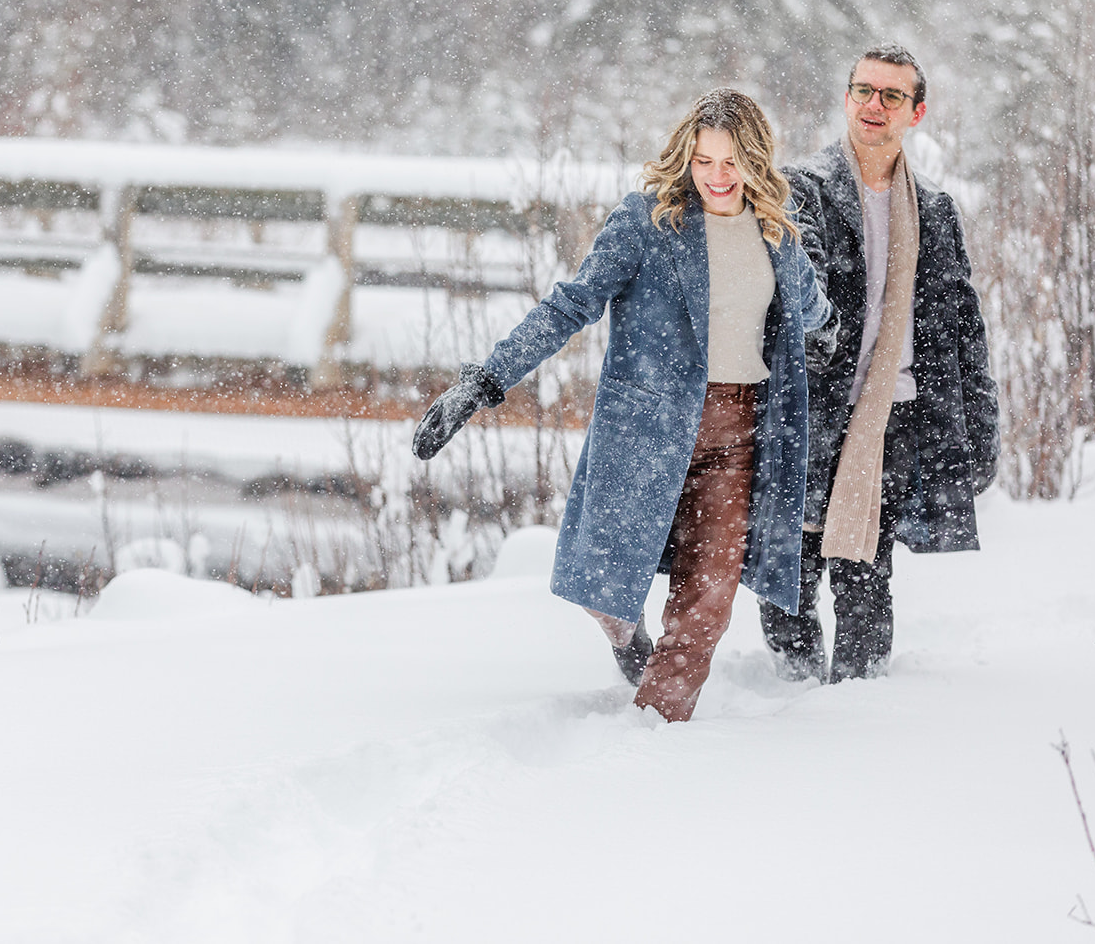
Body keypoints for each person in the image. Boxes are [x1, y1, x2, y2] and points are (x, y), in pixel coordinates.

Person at [412, 88, 832, 722]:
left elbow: (811, 308)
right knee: (606, 595)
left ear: (756, 161)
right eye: (704, 161)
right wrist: (485, 380)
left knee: (709, 598)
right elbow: (570, 304)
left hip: (738, 436)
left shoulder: (776, 231)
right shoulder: (649, 222)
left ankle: (654, 731)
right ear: (686, 158)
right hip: (646, 434)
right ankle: (625, 639)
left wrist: (833, 337)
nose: (718, 177)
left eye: (732, 162)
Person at [758, 44, 999, 683]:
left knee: (866, 568)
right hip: (813, 409)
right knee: (792, 567)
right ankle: (792, 689)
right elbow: (780, 300)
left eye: (891, 95)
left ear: (915, 113)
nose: (874, 105)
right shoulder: (800, 191)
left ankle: (862, 706)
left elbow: (962, 328)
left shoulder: (936, 210)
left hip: (893, 412)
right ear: (846, 98)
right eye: (864, 90)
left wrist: (980, 423)